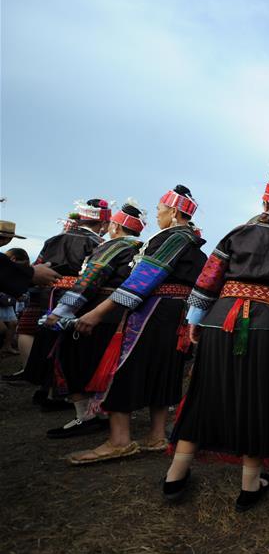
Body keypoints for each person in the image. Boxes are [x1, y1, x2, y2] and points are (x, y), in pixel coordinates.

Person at [164, 155, 269, 510]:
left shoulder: (237, 233)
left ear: (264, 199)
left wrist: (194, 318)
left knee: (205, 392)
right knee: (261, 397)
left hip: (219, 320)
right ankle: (250, 486)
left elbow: (209, 279)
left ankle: (175, 475)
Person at [67, 185, 206, 464]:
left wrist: (97, 313)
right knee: (164, 368)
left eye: (159, 209)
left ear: (175, 212)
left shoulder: (171, 239)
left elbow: (141, 281)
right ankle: (156, 434)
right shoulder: (191, 243)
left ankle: (120, 440)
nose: (156, 215)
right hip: (176, 313)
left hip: (152, 311)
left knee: (126, 367)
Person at [41, 202, 147, 439]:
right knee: (105, 364)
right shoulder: (143, 249)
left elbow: (91, 277)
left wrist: (61, 310)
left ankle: (86, 417)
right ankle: (101, 413)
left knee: (76, 361)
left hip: (95, 312)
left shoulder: (114, 246)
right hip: (124, 314)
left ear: (115, 226)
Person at [18, 201, 110, 401]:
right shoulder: (99, 244)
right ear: (103, 223)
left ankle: (45, 387)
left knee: (47, 339)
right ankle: (63, 393)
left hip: (49, 293)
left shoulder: (54, 239)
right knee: (70, 345)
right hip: (79, 297)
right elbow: (95, 275)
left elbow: (38, 266)